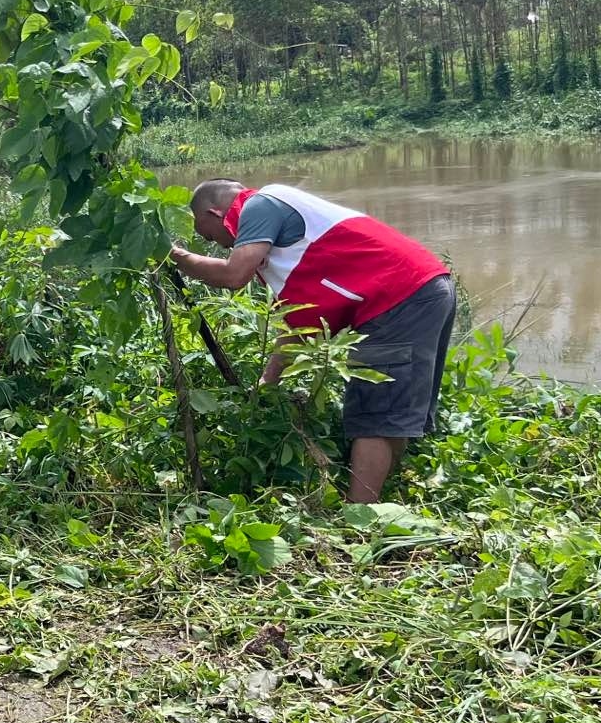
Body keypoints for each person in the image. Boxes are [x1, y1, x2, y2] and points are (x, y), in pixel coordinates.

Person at [169, 179, 454, 504]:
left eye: (209, 235)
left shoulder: (259, 205)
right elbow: (296, 326)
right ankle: (381, 499)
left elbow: (234, 275)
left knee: (374, 415)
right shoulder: (283, 252)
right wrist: (269, 381)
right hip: (420, 291)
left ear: (215, 212)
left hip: (398, 298)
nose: (218, 245)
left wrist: (177, 257)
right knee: (391, 411)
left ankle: (358, 518)